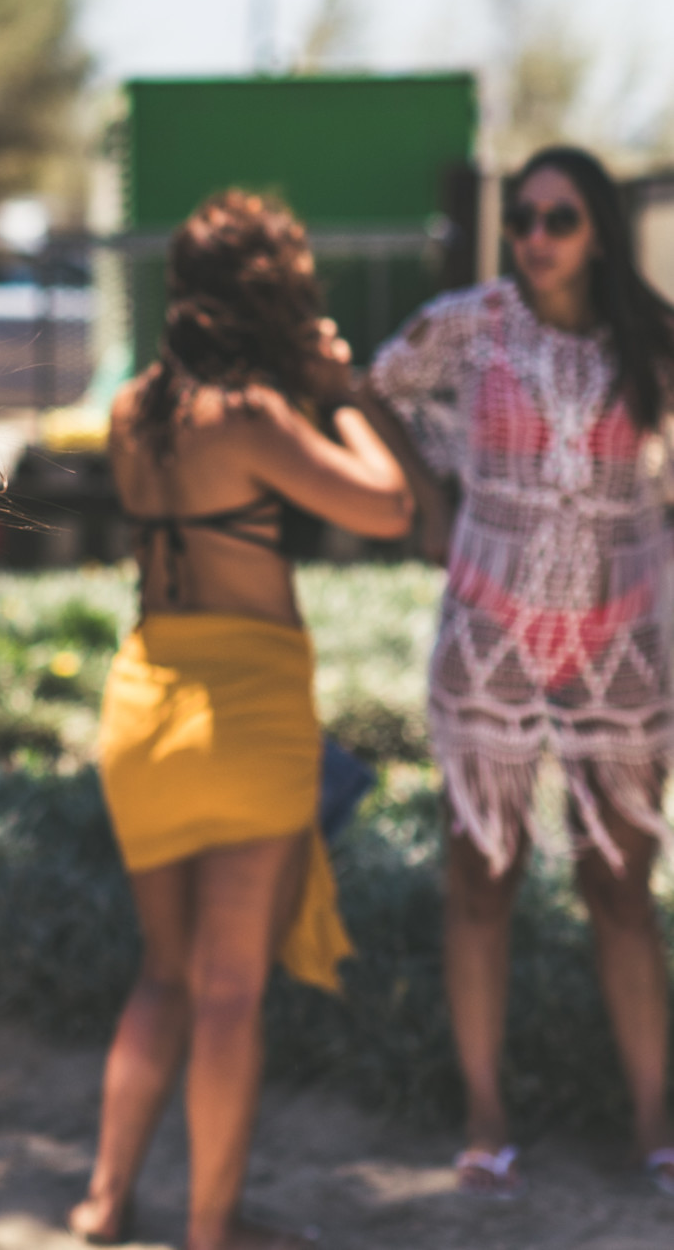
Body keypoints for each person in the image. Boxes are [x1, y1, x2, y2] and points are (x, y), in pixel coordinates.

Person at [70, 192, 412, 1250]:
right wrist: (339, 393)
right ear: (272, 299)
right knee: (228, 991)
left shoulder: (135, 407)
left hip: (144, 704)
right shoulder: (254, 413)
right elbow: (388, 504)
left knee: (162, 974)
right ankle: (212, 1227)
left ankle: (102, 1203)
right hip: (246, 709)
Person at [360, 146, 674, 1198]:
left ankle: (654, 1120)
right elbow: (375, 386)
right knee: (480, 876)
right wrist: (429, 503)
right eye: (524, 219)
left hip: (622, 638)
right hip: (489, 630)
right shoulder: (473, 322)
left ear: (600, 232)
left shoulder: (651, 337)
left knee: (620, 882)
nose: (535, 237)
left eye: (559, 219)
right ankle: (485, 1114)